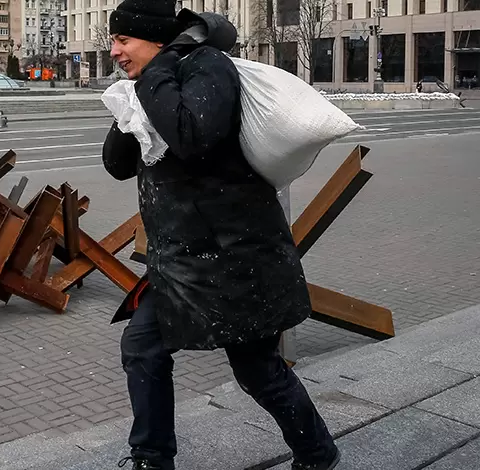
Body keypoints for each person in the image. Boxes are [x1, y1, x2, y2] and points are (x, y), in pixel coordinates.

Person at [102, 1, 340, 469]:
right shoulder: (152, 81)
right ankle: (152, 458)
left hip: (235, 258)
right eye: (113, 40)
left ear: (154, 39)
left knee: (258, 372)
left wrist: (155, 76)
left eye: (123, 40)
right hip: (178, 262)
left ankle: (317, 453)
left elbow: (194, 137)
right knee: (142, 347)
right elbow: (115, 164)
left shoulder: (208, 68)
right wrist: (131, 102)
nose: (114, 51)